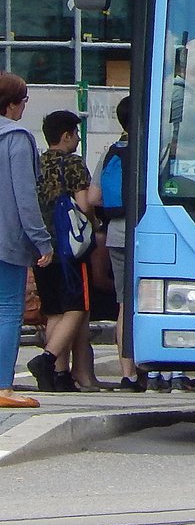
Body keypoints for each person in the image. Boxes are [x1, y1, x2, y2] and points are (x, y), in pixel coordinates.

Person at [28, 110, 101, 392]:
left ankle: (58, 375)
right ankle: (46, 360)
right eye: (76, 133)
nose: (78, 138)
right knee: (77, 308)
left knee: (55, 311)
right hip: (70, 248)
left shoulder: (38, 163)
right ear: (67, 135)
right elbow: (84, 206)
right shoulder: (73, 164)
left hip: (41, 245)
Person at [0, 73, 52, 408]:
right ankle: (3, 386)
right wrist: (41, 241)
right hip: (5, 241)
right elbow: (24, 197)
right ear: (12, 104)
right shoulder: (16, 137)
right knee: (6, 310)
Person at [88, 96, 145, 392]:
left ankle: (128, 374)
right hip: (145, 234)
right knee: (149, 301)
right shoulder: (148, 150)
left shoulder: (111, 152)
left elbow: (93, 198)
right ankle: (161, 370)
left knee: (124, 304)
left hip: (115, 234)